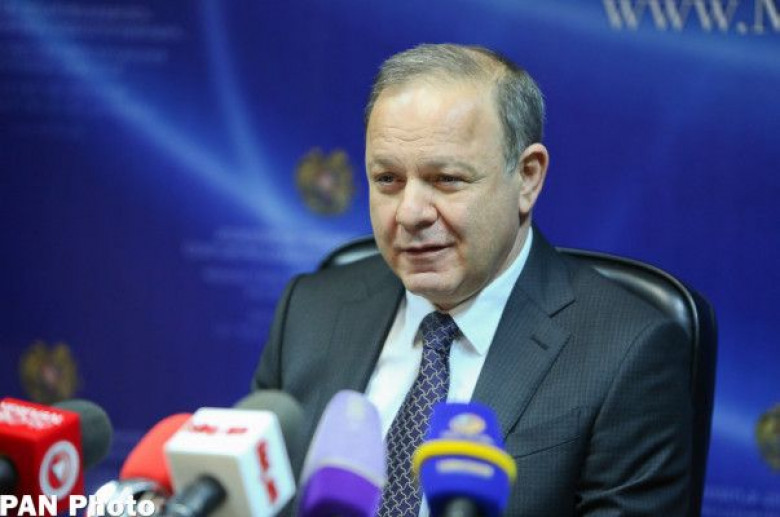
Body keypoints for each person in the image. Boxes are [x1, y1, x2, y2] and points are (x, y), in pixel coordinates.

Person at [254, 44, 691, 516]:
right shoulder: (310, 310)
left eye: (445, 179)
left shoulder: (626, 353)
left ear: (527, 178)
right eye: (388, 179)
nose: (410, 213)